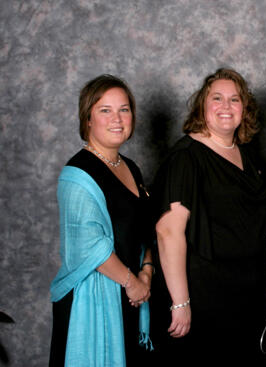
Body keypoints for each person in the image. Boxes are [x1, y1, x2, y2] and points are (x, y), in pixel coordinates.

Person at [150, 68, 266, 366]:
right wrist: (180, 302)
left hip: (245, 296)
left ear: (245, 108)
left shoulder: (244, 155)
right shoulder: (187, 158)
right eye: (217, 98)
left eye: (234, 99)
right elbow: (168, 233)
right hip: (205, 297)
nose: (226, 106)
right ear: (202, 106)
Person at [49, 74, 154, 366]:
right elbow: (89, 247)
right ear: (88, 120)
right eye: (105, 110)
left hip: (133, 297)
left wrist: (146, 272)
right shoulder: (77, 174)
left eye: (124, 109)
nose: (117, 118)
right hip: (95, 300)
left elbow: (145, 229)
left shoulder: (131, 168)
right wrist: (132, 282)